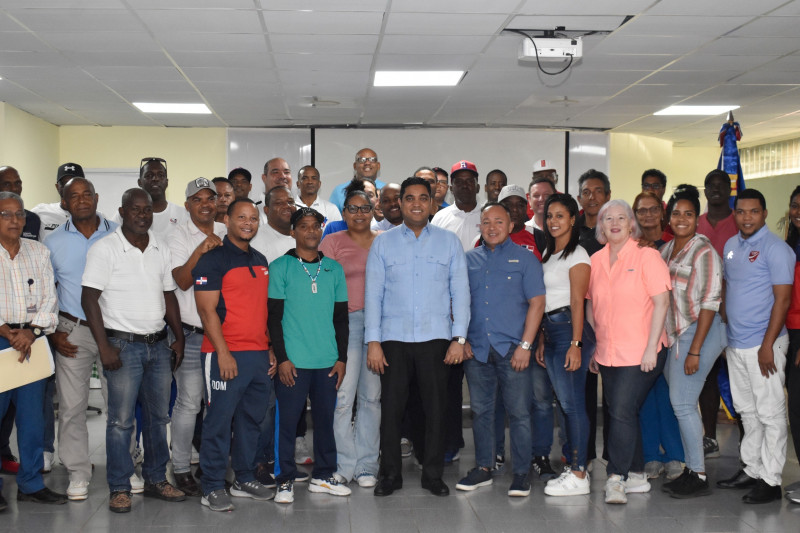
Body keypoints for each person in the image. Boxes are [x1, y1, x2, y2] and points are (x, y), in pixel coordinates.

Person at [81, 188, 186, 513]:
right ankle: (119, 487)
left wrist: (178, 337)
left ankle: (156, 479)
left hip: (157, 345)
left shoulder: (160, 247)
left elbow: (168, 295)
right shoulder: (105, 249)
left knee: (158, 419)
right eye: (135, 210)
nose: (142, 215)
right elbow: (89, 298)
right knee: (121, 422)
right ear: (122, 212)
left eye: (147, 210)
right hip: (122, 347)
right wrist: (104, 347)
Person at [366, 177, 469, 498]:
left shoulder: (449, 242)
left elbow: (461, 292)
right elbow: (373, 294)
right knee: (392, 411)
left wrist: (460, 338)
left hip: (436, 339)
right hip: (393, 340)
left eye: (422, 198)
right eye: (409, 198)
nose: (415, 204)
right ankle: (390, 475)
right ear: (401, 203)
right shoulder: (383, 242)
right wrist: (373, 341)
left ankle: (433, 474)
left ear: (431, 203)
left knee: (436, 410)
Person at [193, 198, 276, 512]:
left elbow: (262, 310)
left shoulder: (261, 259)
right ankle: (212, 486)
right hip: (224, 355)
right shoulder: (212, 260)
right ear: (225, 220)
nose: (248, 223)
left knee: (251, 421)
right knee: (218, 422)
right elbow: (206, 310)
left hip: (257, 355)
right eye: (241, 217)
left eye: (253, 218)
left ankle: (243, 477)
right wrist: (223, 353)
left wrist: (269, 348)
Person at [456, 202, 545, 498]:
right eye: (486, 222)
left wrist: (526, 345)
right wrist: (461, 340)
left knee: (519, 413)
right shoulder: (467, 261)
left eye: (498, 222)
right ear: (479, 226)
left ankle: (521, 473)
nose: (492, 227)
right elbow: (456, 302)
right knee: (481, 412)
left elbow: (537, 303)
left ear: (510, 226)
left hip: (513, 350)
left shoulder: (526, 259)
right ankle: (483, 467)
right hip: (477, 350)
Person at [586, 199, 671, 505]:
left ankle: (616, 477)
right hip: (609, 352)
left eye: (622, 217)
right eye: (608, 219)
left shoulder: (648, 257)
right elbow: (591, 304)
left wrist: (651, 348)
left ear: (631, 224)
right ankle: (636, 473)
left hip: (644, 351)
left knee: (620, 409)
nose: (615, 223)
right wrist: (596, 345)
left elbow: (662, 303)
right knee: (623, 411)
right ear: (601, 226)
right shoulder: (595, 261)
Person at [268, 207, 350, 504]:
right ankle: (285, 480)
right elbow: (274, 318)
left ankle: (323, 475)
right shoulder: (280, 267)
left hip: (327, 361)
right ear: (293, 231)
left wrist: (342, 358)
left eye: (316, 226)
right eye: (304, 226)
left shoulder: (334, 269)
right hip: (294, 362)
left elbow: (341, 318)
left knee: (326, 422)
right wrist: (283, 358)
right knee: (287, 423)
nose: (311, 231)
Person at [718, 188, 794, 504]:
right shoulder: (731, 246)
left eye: (754, 211)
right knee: (746, 411)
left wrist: (766, 345)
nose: (747, 217)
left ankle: (771, 480)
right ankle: (751, 468)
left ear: (764, 213)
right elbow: (728, 290)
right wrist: (725, 336)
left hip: (766, 345)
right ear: (735, 214)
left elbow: (783, 299)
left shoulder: (777, 250)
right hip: (736, 344)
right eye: (741, 211)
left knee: (770, 413)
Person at [44, 177, 117, 501]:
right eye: (73, 196)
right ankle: (77, 472)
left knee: (121, 405)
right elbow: (48, 290)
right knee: (72, 407)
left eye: (87, 194)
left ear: (97, 197)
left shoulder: (120, 233)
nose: (82, 200)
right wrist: (54, 330)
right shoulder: (53, 242)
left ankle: (124, 468)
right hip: (73, 330)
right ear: (64, 203)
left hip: (116, 331)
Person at [657, 185, 726, 499]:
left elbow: (711, 302)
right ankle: (690, 468)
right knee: (680, 402)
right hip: (677, 335)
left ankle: (698, 474)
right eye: (676, 213)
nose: (681, 218)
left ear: (696, 218)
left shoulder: (704, 251)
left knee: (683, 403)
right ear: (669, 217)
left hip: (702, 331)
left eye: (688, 214)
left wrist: (695, 350)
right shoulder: (667, 250)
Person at [0, 191, 66, 510]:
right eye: (6, 214)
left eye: (19, 214)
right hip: (1, 341)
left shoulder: (38, 252)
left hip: (32, 342)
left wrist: (31, 331)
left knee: (31, 418)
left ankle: (30, 483)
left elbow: (49, 300)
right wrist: (6, 330)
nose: (15, 220)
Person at [319, 182, 381, 489]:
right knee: (343, 398)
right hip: (345, 325)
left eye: (365, 208)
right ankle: (344, 464)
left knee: (371, 399)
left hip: (379, 328)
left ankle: (367, 465)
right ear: (344, 212)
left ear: (373, 211)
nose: (358, 213)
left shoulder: (384, 241)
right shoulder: (331, 242)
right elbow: (319, 286)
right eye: (352, 208)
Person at [168, 178, 227, 498]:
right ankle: (180, 468)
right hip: (191, 335)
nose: (206, 204)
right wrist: (200, 248)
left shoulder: (227, 230)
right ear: (188, 204)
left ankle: (211, 466)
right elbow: (181, 280)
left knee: (217, 405)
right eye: (198, 199)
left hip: (224, 336)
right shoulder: (177, 236)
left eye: (211, 198)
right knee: (189, 403)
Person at [537, 194, 595, 496]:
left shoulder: (579, 255)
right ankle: (573, 467)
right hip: (553, 331)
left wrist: (576, 343)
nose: (553, 221)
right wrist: (544, 338)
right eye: (550, 216)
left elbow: (576, 301)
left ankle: (579, 473)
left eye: (560, 215)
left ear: (574, 219)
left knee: (573, 406)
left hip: (569, 332)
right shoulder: (550, 253)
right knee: (566, 405)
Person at [431, 160, 482, 462]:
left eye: (469, 180)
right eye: (458, 181)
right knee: (448, 386)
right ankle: (451, 442)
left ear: (477, 184)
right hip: (446, 314)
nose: (464, 185)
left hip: (480, 311)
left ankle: (490, 449)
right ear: (450, 186)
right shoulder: (440, 218)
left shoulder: (489, 216)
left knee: (479, 385)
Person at [633, 191, 684, 481]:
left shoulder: (672, 244)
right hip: (641, 333)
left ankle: (675, 455)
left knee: (669, 396)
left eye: (654, 210)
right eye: (642, 210)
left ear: (662, 213)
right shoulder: (632, 247)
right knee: (646, 398)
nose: (648, 215)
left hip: (671, 332)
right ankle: (651, 456)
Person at [696, 169, 740, 458]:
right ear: (704, 191)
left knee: (738, 378)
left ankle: (747, 442)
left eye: (721, 185)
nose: (715, 189)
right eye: (709, 185)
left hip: (736, 312)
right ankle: (709, 437)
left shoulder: (740, 222)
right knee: (707, 377)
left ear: (729, 189)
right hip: (701, 314)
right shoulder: (695, 223)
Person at [576, 169, 611, 469]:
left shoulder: (615, 232)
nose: (592, 197)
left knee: (613, 395)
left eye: (598, 191)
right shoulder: (570, 230)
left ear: (608, 196)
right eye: (587, 192)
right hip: (582, 322)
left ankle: (614, 456)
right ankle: (583, 455)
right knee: (585, 393)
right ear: (579, 198)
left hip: (613, 321)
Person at [122, 157, 188, 235]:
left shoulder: (183, 214)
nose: (155, 179)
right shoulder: (127, 213)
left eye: (160, 175)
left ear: (167, 182)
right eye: (149, 175)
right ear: (140, 182)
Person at [785, 185, 800, 504]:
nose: (798, 212)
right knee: (795, 409)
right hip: (791, 333)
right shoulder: (792, 243)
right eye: (795, 206)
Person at [33, 162, 86, 239]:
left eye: (75, 183)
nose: (70, 188)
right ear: (57, 187)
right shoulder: (40, 212)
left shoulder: (97, 218)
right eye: (65, 183)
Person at [250, 186, 297, 264]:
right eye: (279, 203)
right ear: (267, 210)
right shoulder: (255, 240)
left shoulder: (302, 236)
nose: (287, 206)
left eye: (290, 202)